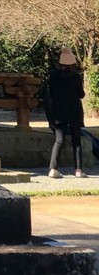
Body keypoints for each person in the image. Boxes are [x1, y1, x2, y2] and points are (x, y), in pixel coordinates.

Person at [45, 47, 86, 179]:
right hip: (74, 110)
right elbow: (81, 94)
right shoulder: (75, 77)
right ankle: (78, 170)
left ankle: (53, 168)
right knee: (76, 140)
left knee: (59, 140)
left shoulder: (54, 75)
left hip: (58, 111)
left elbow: (50, 94)